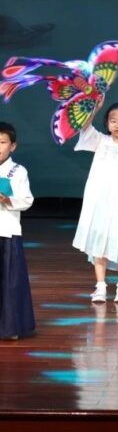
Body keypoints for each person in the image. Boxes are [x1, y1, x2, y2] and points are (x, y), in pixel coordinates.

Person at [73, 102, 118, 304]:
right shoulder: (101, 141)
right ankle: (100, 286)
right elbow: (85, 128)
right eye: (113, 121)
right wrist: (94, 109)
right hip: (100, 202)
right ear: (107, 123)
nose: (117, 125)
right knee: (99, 242)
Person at [0, 121, 35, 340]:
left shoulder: (17, 171)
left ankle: (10, 326)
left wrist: (7, 200)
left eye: (2, 142)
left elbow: (27, 200)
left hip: (7, 231)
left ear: (12, 146)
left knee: (10, 282)